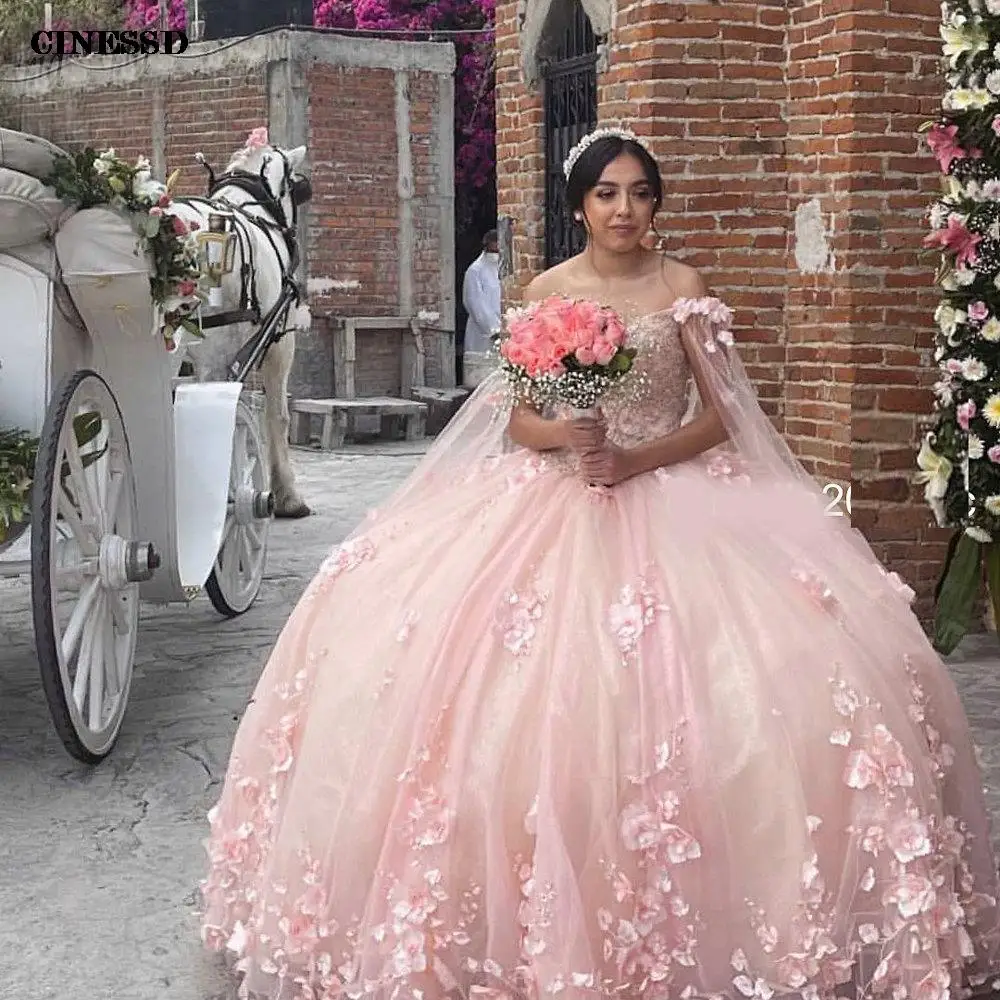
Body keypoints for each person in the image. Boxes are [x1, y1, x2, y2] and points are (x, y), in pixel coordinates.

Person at [200, 126, 1000, 1000]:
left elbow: (724, 415)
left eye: (642, 193)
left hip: (675, 495)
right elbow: (518, 419)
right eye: (608, 193)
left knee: (774, 692)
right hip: (551, 502)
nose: (626, 209)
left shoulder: (683, 288)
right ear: (579, 204)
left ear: (657, 204)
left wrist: (635, 459)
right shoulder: (547, 291)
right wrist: (569, 436)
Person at [462, 229, 502, 387]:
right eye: (494, 245)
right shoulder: (475, 271)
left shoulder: (502, 267)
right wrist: (495, 329)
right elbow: (475, 303)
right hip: (483, 334)